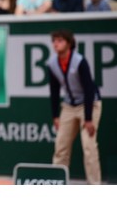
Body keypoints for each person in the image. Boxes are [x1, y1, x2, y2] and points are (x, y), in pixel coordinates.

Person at [47, 29, 102, 185]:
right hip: (69, 106)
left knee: (89, 147)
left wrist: (89, 118)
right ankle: (56, 184)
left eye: (60, 41)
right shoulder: (52, 63)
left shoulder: (79, 61)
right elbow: (54, 91)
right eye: (54, 41)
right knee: (60, 147)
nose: (55, 44)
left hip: (90, 105)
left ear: (69, 44)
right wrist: (55, 116)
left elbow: (89, 89)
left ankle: (95, 187)